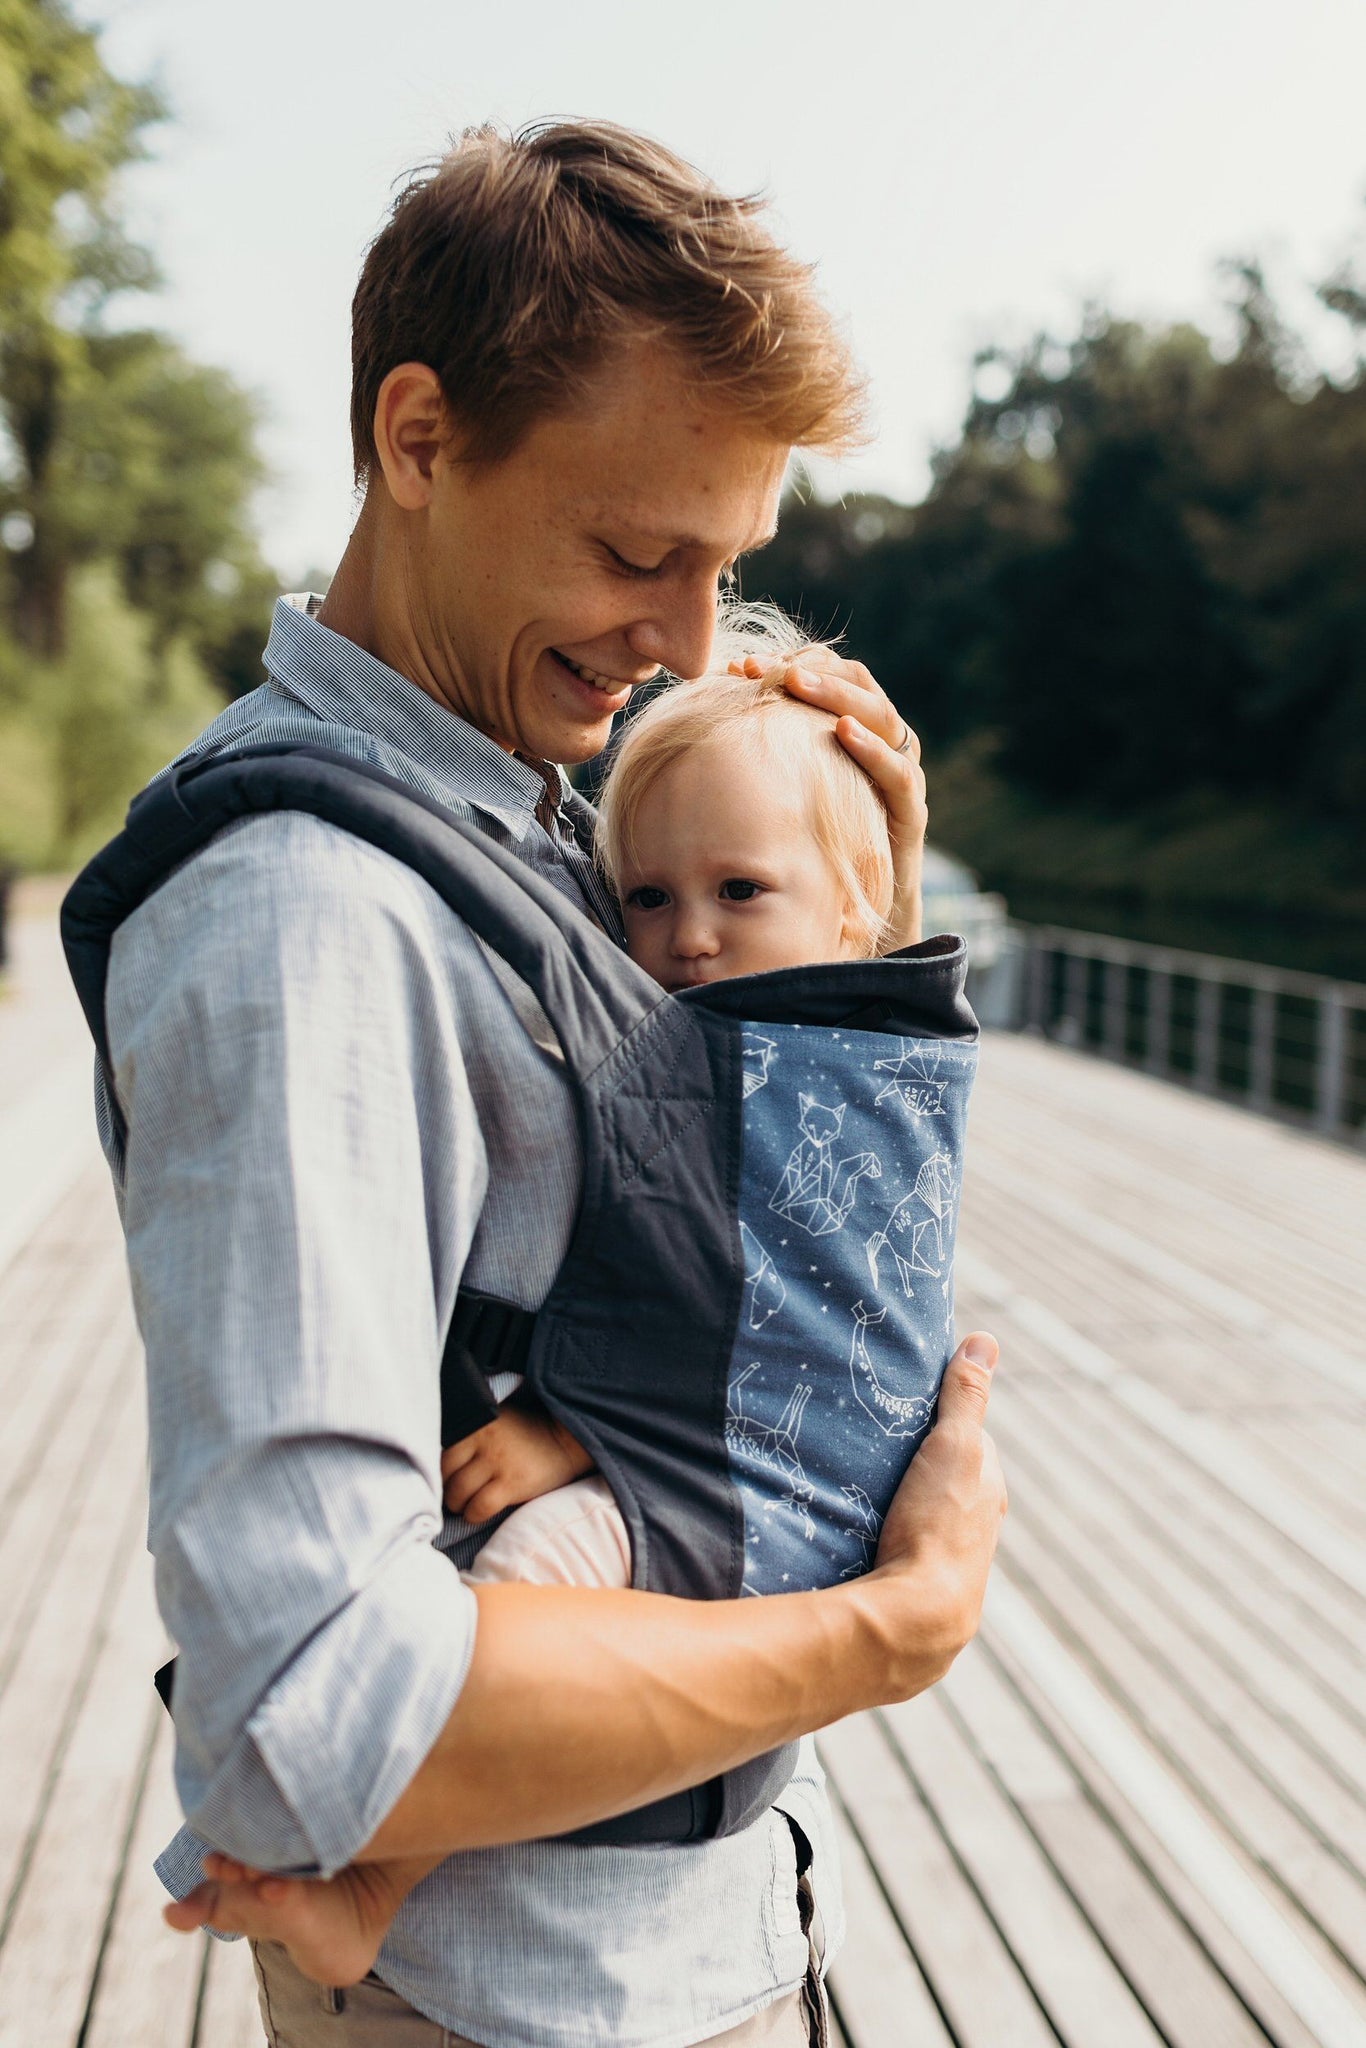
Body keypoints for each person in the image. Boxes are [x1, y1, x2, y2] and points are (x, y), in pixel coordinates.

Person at [97, 120, 1005, 2048]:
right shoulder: (304, 919)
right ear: (416, 441)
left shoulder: (501, 816)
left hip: (683, 1946)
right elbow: (307, 1717)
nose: (684, 641)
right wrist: (880, 1633)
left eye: (725, 567)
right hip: (540, 2005)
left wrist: (863, 894)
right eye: (631, 551)